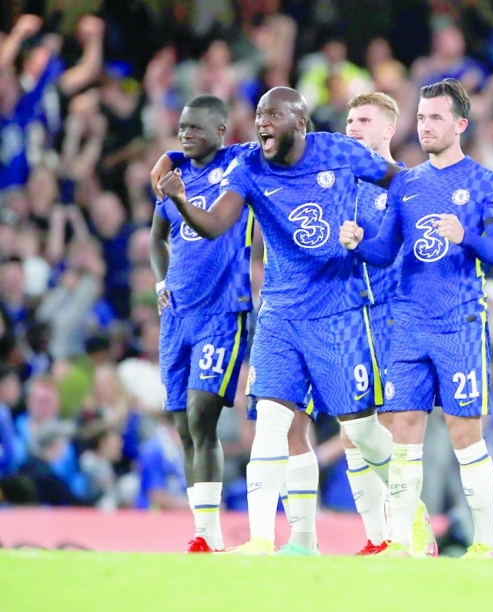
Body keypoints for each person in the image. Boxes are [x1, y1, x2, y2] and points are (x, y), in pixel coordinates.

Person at [158, 86, 402, 555]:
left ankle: (411, 514)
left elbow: (401, 182)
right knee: (270, 422)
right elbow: (213, 222)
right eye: (258, 114)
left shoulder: (339, 151)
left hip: (339, 312)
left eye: (272, 114)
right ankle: (261, 540)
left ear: (299, 122)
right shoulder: (249, 165)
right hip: (279, 314)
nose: (262, 122)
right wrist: (181, 195)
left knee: (360, 431)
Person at [340, 78, 493, 558]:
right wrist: (358, 243)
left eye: (436, 117)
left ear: (460, 124)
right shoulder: (408, 183)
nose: (426, 126)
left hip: (459, 321)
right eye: (421, 117)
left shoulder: (485, 182)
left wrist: (465, 237)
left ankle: (485, 541)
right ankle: (400, 540)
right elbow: (386, 251)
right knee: (403, 433)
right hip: (409, 324)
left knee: (464, 433)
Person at [150, 94, 253, 553]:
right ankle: (202, 534)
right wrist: (159, 282)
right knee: (181, 424)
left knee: (200, 416)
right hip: (176, 317)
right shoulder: (174, 176)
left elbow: (212, 227)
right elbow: (158, 238)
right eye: (181, 128)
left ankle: (207, 535)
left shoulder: (237, 167)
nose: (185, 135)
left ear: (219, 132)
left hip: (222, 312)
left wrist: (178, 195)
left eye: (195, 128)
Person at [342, 91, 436, 556]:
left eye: (363, 120)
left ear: (388, 130)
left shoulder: (406, 184)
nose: (353, 127)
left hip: (391, 313)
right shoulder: (338, 182)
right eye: (349, 120)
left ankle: (410, 522)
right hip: (344, 316)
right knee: (351, 428)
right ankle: (378, 535)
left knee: (386, 425)